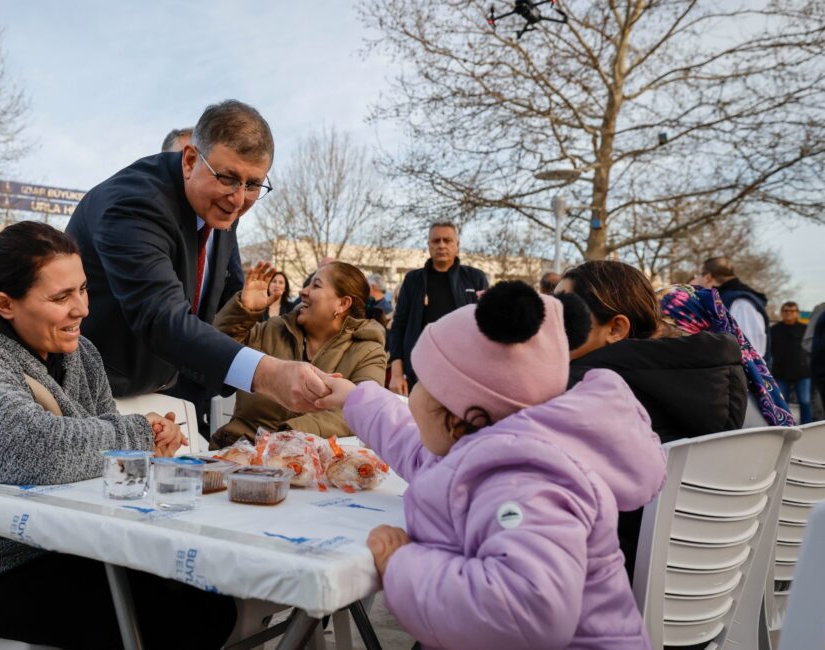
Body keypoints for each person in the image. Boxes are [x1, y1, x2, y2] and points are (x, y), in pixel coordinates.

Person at [0, 222, 234, 649]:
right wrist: (137, 435)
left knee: (206, 592)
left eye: (83, 290)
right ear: (4, 304)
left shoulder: (80, 353)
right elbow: (29, 451)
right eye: (60, 298)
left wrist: (143, 445)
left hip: (65, 541)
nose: (82, 309)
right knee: (172, 617)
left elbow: (109, 451)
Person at [315, 281, 664, 649]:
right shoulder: (482, 450)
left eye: (421, 383)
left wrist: (401, 564)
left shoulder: (522, 480)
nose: (411, 397)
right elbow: (418, 451)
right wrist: (355, 399)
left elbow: (524, 611)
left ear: (456, 412)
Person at [65, 99, 330, 416]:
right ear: (190, 160)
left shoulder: (220, 207)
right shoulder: (134, 204)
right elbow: (162, 316)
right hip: (96, 398)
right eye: (228, 177)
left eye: (254, 184)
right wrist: (268, 374)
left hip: (169, 396)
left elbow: (216, 301)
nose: (238, 199)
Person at [559, 261, 748, 581]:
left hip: (611, 586)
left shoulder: (583, 393)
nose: (548, 321)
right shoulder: (708, 381)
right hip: (703, 583)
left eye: (565, 310)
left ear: (616, 329)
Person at [561, 261, 747, 442]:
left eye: (564, 314)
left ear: (616, 329)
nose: (549, 324)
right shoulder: (716, 382)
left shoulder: (576, 390)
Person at [211, 261, 386, 447]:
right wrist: (244, 311)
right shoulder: (272, 328)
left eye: (316, 285)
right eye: (308, 284)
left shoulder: (368, 352)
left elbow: (359, 411)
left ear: (342, 304)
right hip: (238, 454)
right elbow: (214, 353)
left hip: (312, 466)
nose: (303, 291)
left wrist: (289, 435)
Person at [662, 284, 795, 428]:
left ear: (687, 325)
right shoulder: (738, 366)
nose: (652, 333)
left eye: (661, 323)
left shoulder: (713, 375)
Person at [388, 221, 488, 396]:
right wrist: (396, 373)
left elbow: (487, 326)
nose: (441, 245)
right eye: (436, 241)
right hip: (419, 371)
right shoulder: (413, 280)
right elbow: (399, 325)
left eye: (447, 240)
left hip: (463, 372)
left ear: (457, 245)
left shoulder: (475, 278)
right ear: (428, 245)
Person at [693, 256, 770, 356]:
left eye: (699, 275)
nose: (698, 279)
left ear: (708, 277)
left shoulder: (741, 303)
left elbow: (750, 351)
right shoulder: (723, 299)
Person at [772, 301, 813, 424]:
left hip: (803, 373)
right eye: (786, 311)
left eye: (792, 311)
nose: (789, 313)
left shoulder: (805, 329)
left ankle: (808, 428)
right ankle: (784, 426)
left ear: (797, 313)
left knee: (805, 402)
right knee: (780, 403)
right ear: (781, 313)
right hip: (780, 372)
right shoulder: (774, 329)